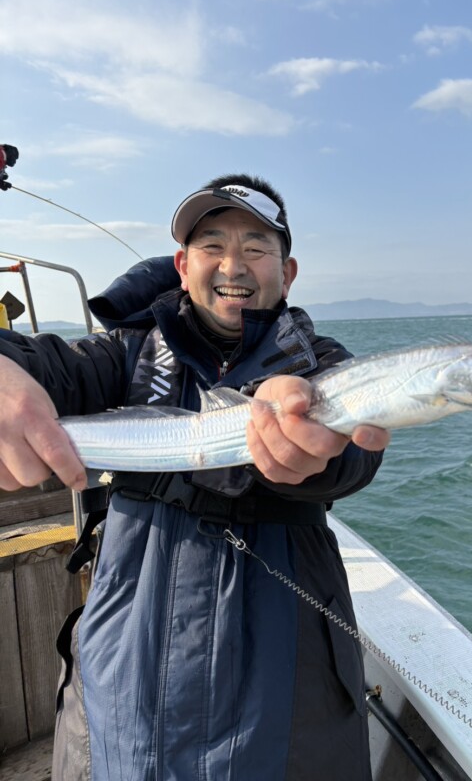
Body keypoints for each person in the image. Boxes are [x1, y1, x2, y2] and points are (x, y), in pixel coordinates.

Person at [0, 174, 389, 781]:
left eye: (257, 248)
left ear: (287, 274)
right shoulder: (123, 353)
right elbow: (43, 363)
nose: (233, 264)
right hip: (130, 641)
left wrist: (315, 450)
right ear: (182, 266)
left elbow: (356, 458)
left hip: (287, 669)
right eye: (212, 246)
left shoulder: (327, 365)